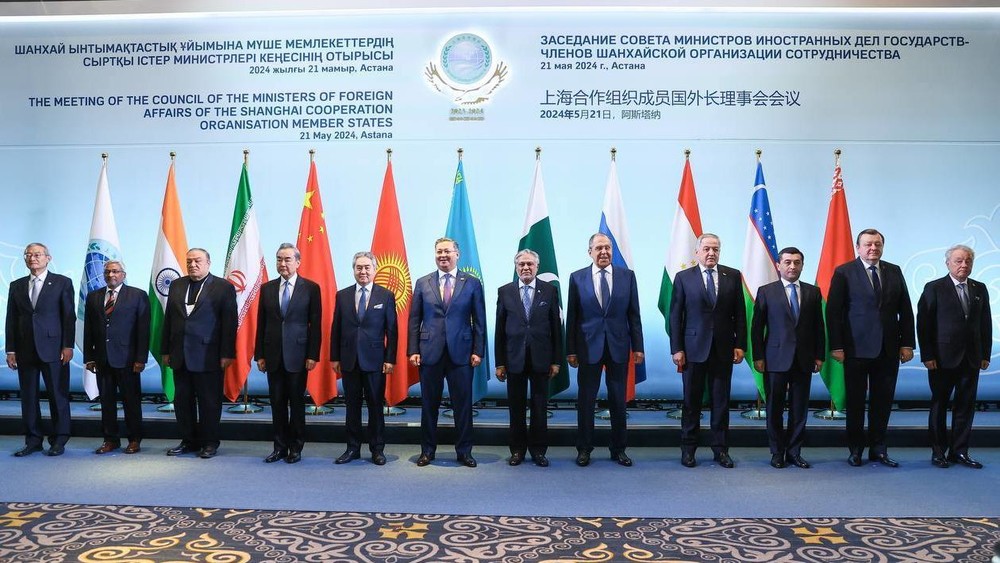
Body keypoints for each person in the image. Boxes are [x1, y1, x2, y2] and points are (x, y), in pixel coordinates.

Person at [827, 228, 915, 467]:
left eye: (877, 244)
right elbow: (834, 312)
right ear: (858, 247)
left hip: (888, 349)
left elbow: (905, 310)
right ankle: (855, 450)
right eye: (868, 244)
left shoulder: (894, 271)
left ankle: (879, 449)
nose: (873, 248)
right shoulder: (844, 272)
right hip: (855, 349)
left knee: (883, 403)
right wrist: (836, 346)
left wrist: (907, 343)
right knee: (855, 402)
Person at [566, 233, 644, 467]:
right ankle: (584, 449)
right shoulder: (577, 277)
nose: (604, 252)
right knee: (586, 401)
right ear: (590, 252)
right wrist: (571, 350)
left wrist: (638, 347)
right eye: (599, 248)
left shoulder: (627, 276)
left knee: (618, 401)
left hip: (618, 347)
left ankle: (619, 449)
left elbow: (634, 315)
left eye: (607, 248)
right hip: (587, 348)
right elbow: (572, 317)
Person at [407, 237, 486, 468]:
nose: (443, 255)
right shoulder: (423, 282)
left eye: (447, 251)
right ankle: (427, 451)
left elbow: (479, 320)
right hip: (429, 353)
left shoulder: (471, 283)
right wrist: (413, 350)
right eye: (439, 251)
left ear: (457, 254)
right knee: (429, 406)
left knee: (463, 406)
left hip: (462, 353)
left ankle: (464, 452)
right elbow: (414, 320)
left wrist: (478, 350)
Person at [669, 233, 746, 468]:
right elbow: (675, 316)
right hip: (692, 349)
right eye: (707, 249)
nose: (711, 253)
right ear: (697, 252)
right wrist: (677, 348)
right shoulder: (683, 277)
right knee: (691, 402)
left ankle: (721, 450)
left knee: (721, 403)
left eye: (716, 249)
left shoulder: (733, 275)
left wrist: (740, 344)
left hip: (723, 349)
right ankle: (688, 450)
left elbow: (740, 314)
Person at [916, 244, 991, 469]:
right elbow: (924, 324)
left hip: (972, 358)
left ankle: (960, 452)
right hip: (941, 358)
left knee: (966, 406)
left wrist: (985, 354)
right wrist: (927, 354)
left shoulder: (980, 288)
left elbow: (985, 323)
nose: (964, 265)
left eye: (968, 261)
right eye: (958, 260)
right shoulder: (934, 287)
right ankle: (938, 452)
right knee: (939, 405)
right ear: (947, 263)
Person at [750, 247, 825, 469]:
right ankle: (777, 452)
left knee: (799, 409)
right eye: (788, 262)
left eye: (797, 262)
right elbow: (757, 328)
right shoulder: (766, 291)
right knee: (774, 408)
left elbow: (819, 327)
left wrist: (819, 355)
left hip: (804, 359)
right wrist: (758, 356)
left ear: (802, 265)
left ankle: (794, 452)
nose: (792, 266)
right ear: (778, 265)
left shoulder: (813, 292)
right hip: (774, 359)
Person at [161, 248, 237, 459]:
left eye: (197, 261)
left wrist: (227, 353)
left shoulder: (223, 287)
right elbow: (169, 320)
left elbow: (230, 323)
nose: (193, 264)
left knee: (209, 402)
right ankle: (188, 441)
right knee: (182, 402)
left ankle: (209, 442)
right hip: (180, 354)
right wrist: (165, 350)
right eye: (189, 261)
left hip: (209, 355)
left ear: (208, 263)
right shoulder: (177, 285)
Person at [5, 243, 75, 457]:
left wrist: (68, 345)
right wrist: (11, 350)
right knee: (28, 397)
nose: (32, 258)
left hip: (54, 349)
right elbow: (11, 319)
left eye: (37, 254)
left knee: (57, 395)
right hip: (25, 350)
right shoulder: (16, 285)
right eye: (28, 254)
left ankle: (59, 439)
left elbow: (68, 317)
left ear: (48, 258)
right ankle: (33, 440)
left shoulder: (62, 282)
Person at [495, 249, 563, 467]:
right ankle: (517, 450)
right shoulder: (505, 291)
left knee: (540, 407)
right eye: (521, 264)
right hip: (513, 358)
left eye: (530, 264)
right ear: (516, 268)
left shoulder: (549, 291)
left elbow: (556, 328)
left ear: (537, 267)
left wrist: (556, 360)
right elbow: (499, 330)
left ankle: (538, 451)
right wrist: (499, 362)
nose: (525, 268)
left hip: (541, 358)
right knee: (516, 408)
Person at [254, 243, 321, 464]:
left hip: (299, 356)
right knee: (277, 403)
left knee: (297, 404)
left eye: (287, 259)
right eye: (279, 259)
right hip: (272, 355)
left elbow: (316, 325)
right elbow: (261, 323)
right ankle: (279, 447)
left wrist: (312, 355)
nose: (282, 263)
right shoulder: (267, 288)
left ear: (298, 262)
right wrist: (259, 354)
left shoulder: (310, 288)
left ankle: (296, 447)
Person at [330, 251, 397, 466]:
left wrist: (390, 359)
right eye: (359, 267)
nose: (363, 271)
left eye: (367, 267)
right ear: (353, 270)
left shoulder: (385, 295)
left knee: (376, 406)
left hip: (375, 361)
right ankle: (352, 448)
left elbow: (392, 331)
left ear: (374, 269)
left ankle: (377, 449)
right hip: (349, 360)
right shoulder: (342, 295)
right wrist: (334, 357)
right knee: (352, 407)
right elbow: (336, 328)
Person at [83, 260, 150, 455]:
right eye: (107, 272)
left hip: (128, 359)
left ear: (123, 274)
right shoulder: (94, 296)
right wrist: (89, 357)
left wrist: (140, 358)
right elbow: (88, 329)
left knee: (131, 401)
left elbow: (143, 329)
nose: (111, 275)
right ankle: (110, 440)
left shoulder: (137, 295)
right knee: (106, 402)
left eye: (115, 271)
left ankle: (134, 439)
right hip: (102, 359)